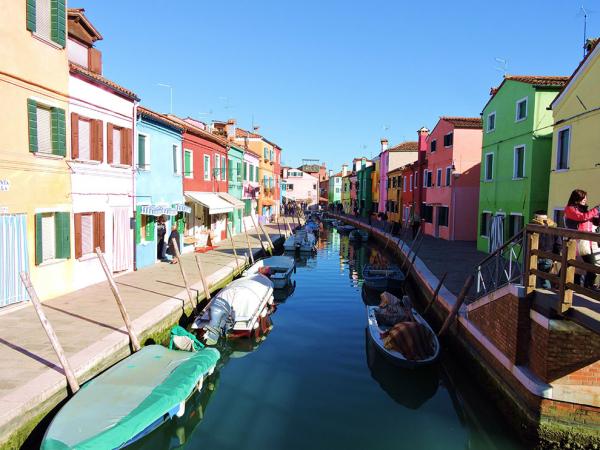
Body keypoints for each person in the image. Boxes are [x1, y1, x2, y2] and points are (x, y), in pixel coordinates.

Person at [564, 189, 600, 289]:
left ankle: (582, 288)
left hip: (586, 243)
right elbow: (583, 217)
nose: (585, 199)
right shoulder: (570, 209)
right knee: (591, 267)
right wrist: (597, 209)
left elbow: (593, 221)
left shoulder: (583, 210)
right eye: (583, 197)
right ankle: (587, 288)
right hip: (578, 243)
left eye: (585, 197)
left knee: (578, 269)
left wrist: (597, 217)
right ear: (576, 198)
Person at [530, 211, 561, 289]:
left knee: (533, 277)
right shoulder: (553, 227)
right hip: (548, 257)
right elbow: (558, 245)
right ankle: (544, 292)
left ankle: (544, 293)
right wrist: (555, 258)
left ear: (536, 217)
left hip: (534, 256)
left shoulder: (533, 226)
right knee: (544, 278)